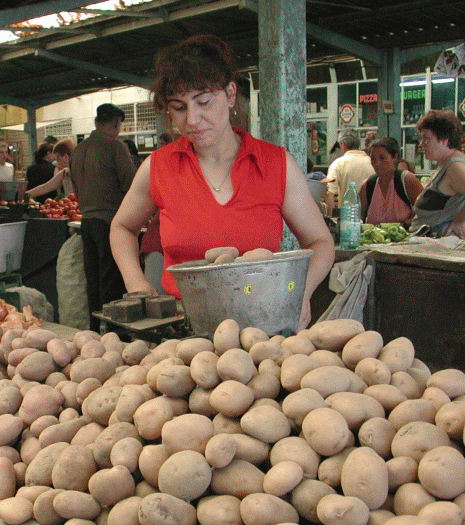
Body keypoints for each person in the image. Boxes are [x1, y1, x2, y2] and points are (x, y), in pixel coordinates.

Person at [109, 34, 334, 331]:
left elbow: (321, 242)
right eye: (179, 107)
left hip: (263, 326)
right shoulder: (159, 167)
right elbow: (121, 227)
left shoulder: (276, 164)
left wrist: (300, 293)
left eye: (203, 101)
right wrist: (136, 282)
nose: (192, 119)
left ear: (229, 94)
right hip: (181, 329)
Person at [70, 103, 136, 331]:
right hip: (111, 222)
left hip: (86, 223)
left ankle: (93, 329)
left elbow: (75, 189)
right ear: (116, 123)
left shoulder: (77, 150)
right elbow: (131, 186)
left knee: (94, 280)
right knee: (112, 280)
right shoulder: (115, 147)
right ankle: (114, 332)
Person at [410, 109, 465, 238]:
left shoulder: (455, 165)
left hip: (444, 239)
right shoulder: (446, 162)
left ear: (444, 139)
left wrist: (459, 221)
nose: (422, 144)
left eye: (426, 138)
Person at [359, 137, 423, 227]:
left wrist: (403, 226)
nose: (377, 163)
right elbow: (359, 218)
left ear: (395, 157)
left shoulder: (407, 180)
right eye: (373, 159)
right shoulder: (367, 186)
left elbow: (424, 212)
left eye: (382, 158)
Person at [324, 128, 375, 216]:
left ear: (342, 144)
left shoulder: (337, 164)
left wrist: (330, 219)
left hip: (347, 218)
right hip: (372, 216)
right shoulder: (372, 163)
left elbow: (330, 195)